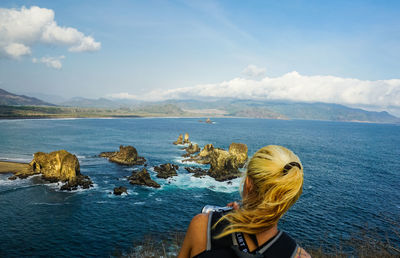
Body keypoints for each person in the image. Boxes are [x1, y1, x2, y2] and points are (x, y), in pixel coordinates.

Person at [178, 145, 311, 258]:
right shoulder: (298, 254)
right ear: (290, 197)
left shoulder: (202, 227)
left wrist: (227, 220)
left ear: (248, 183)